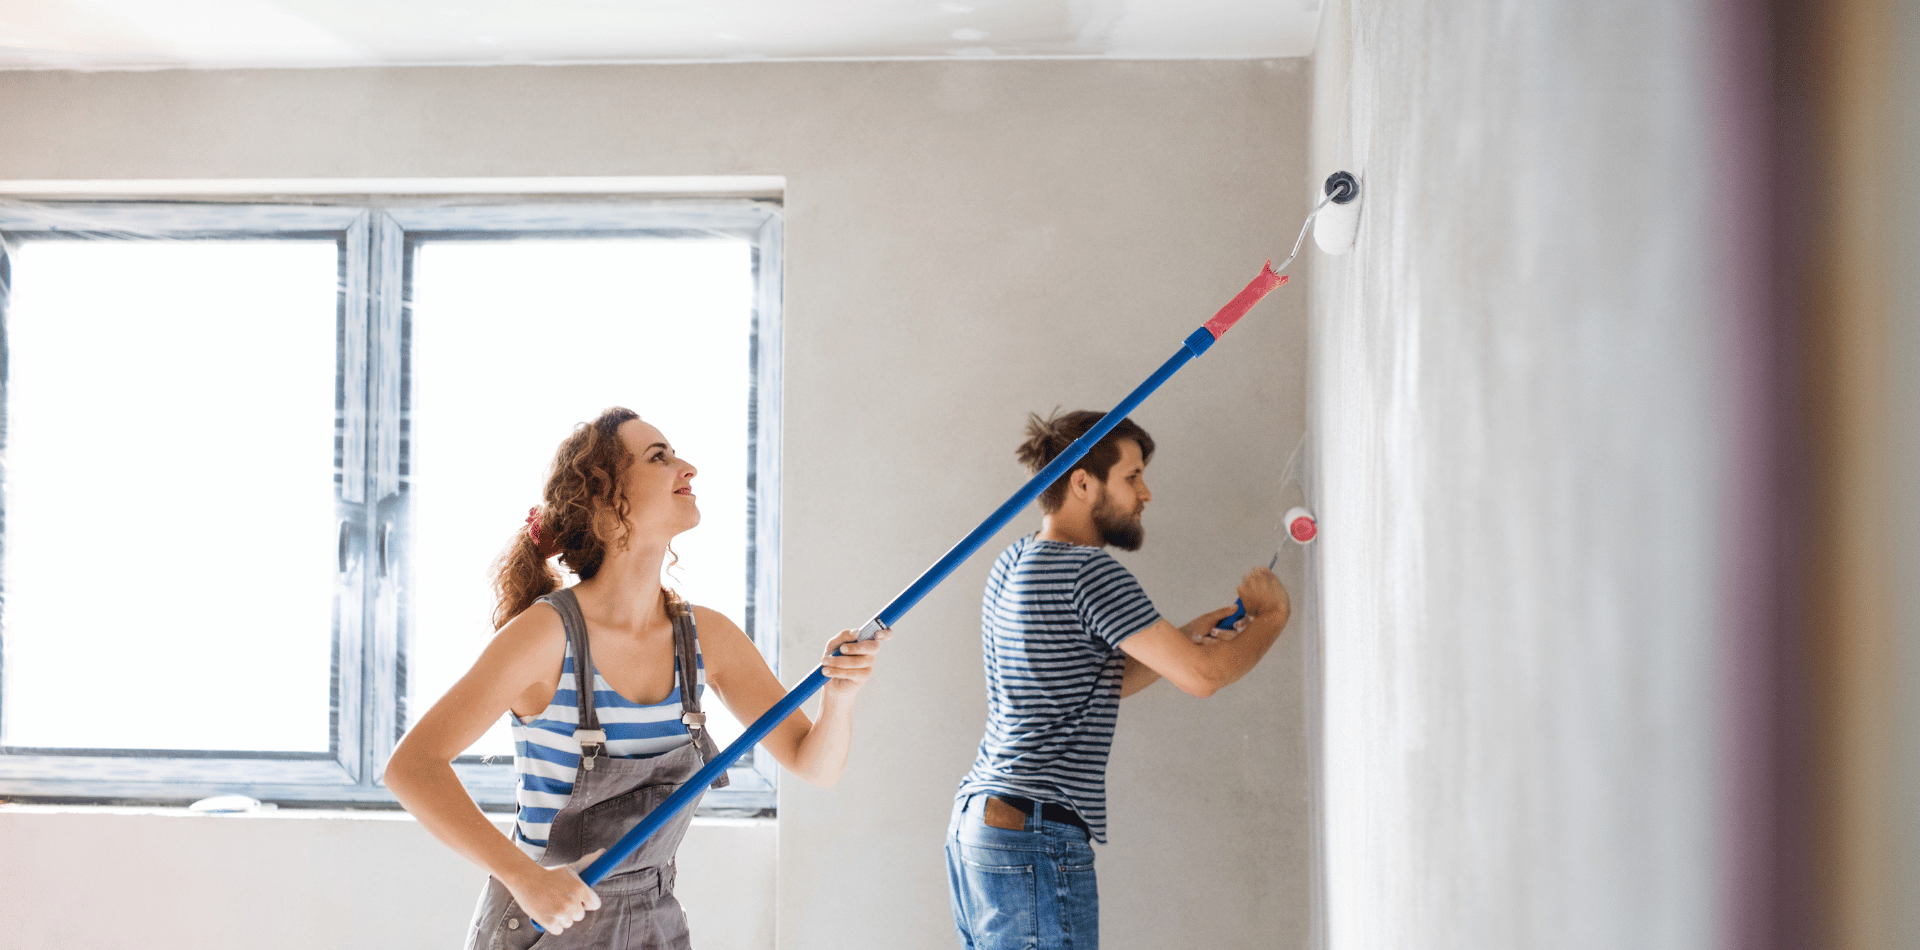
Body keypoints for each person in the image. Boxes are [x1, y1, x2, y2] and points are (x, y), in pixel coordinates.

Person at [387, 406, 887, 949]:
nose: (687, 467)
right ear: (603, 500)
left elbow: (814, 764)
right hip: (545, 926)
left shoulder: (706, 640)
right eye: (659, 457)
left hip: (653, 923)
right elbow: (412, 767)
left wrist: (839, 697)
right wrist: (524, 877)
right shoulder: (547, 636)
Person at [945, 409, 1291, 950]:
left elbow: (1083, 682)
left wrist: (1175, 642)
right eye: (1132, 477)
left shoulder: (1014, 561)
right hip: (1033, 832)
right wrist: (1272, 618)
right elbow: (1204, 678)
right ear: (1083, 483)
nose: (1145, 494)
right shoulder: (1089, 571)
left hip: (980, 827)